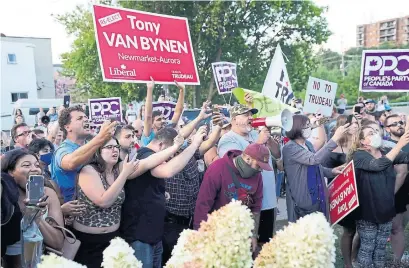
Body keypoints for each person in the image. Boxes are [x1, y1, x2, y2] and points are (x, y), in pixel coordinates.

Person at [73, 135, 181, 267]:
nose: (115, 150)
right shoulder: (88, 170)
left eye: (116, 147)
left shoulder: (118, 168)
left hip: (113, 239)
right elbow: (104, 201)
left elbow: (148, 162)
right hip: (88, 241)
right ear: (97, 150)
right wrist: (124, 174)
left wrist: (175, 147)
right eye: (109, 147)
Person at [120, 127, 206, 268]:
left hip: (153, 234)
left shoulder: (149, 155)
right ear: (161, 145)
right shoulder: (145, 155)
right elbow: (168, 171)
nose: (170, 157)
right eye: (169, 153)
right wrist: (194, 145)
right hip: (141, 235)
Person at [217, 101, 281, 249]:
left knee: (265, 244)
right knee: (246, 246)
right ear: (234, 120)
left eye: (251, 114)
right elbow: (237, 166)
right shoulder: (228, 139)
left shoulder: (255, 133)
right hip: (247, 204)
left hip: (268, 201)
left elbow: (277, 155)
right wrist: (259, 143)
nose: (250, 117)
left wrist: (269, 139)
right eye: (246, 114)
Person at [162, 113, 222, 265]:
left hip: (190, 221)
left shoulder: (189, 151)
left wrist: (218, 125)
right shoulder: (163, 158)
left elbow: (209, 143)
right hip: (171, 223)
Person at [348, 120, 409, 267]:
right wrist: (400, 144)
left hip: (386, 210)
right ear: (362, 142)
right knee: (367, 248)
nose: (375, 134)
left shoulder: (386, 152)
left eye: (376, 132)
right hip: (367, 212)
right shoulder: (359, 155)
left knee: (380, 248)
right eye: (370, 133)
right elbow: (377, 165)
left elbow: (405, 158)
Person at [194, 143, 271, 253]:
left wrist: (253, 235)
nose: (260, 170)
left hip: (240, 235)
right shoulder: (217, 168)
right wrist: (199, 234)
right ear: (248, 159)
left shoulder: (257, 176)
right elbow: (203, 204)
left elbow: (256, 206)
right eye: (258, 166)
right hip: (216, 232)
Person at [1, 149, 64, 268]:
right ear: (10, 172)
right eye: (26, 165)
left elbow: (58, 243)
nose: (35, 169)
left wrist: (36, 215)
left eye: (37, 165)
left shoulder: (48, 194)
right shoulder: (4, 196)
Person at [282, 114, 348, 222]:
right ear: (296, 127)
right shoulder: (290, 147)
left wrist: (331, 171)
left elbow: (315, 167)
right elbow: (313, 159)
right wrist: (335, 138)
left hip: (318, 195)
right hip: (303, 201)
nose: (309, 128)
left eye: (309, 125)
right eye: (306, 125)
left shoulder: (307, 144)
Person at [51, 106, 116, 203]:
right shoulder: (62, 150)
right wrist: (100, 137)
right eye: (80, 118)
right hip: (73, 212)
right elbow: (71, 163)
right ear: (67, 127)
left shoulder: (91, 144)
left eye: (86, 117)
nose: (86, 120)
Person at [322, 115, 360, 268]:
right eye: (352, 123)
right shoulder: (333, 147)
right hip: (345, 194)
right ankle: (347, 264)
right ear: (343, 126)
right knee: (349, 230)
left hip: (364, 192)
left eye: (358, 123)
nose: (356, 126)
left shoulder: (363, 144)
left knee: (363, 229)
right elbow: (324, 171)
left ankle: (355, 257)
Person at [383, 115, 409, 263]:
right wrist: (389, 194)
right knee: (396, 227)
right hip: (394, 190)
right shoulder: (385, 145)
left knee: (400, 227)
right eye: (395, 124)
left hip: (406, 190)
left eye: (401, 122)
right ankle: (396, 261)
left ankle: (397, 261)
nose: (399, 125)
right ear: (387, 128)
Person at [141, 78, 184, 146]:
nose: (163, 121)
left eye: (163, 118)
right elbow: (148, 116)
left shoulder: (166, 128)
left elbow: (177, 112)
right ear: (151, 124)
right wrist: (149, 89)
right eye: (159, 119)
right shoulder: (148, 134)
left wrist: (182, 90)